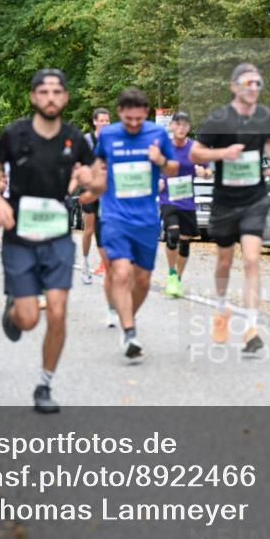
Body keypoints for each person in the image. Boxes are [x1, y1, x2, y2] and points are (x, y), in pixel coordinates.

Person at [0, 68, 96, 413]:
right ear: (34, 97)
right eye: (44, 92)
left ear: (65, 97)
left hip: (58, 238)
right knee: (30, 319)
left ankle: (45, 385)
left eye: (57, 92)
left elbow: (97, 184)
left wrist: (88, 181)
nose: (51, 98)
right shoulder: (14, 134)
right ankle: (14, 310)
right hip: (20, 237)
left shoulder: (75, 139)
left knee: (59, 312)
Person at [190, 63, 270, 354]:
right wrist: (222, 153)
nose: (253, 88)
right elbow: (195, 153)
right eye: (247, 83)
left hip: (254, 198)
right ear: (234, 86)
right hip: (225, 201)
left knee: (252, 260)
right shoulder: (220, 119)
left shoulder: (265, 116)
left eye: (257, 83)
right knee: (225, 261)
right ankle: (221, 308)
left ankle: (252, 327)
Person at [89, 87, 177, 359]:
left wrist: (160, 160)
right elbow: (98, 165)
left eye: (139, 119)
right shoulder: (108, 135)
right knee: (121, 272)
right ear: (119, 113)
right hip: (115, 215)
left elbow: (174, 168)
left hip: (147, 218)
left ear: (146, 114)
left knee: (143, 279)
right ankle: (128, 332)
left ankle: (129, 317)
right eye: (129, 120)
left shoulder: (157, 134)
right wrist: (90, 182)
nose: (134, 125)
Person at [158, 111, 210, 298]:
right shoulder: (163, 147)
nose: (181, 128)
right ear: (171, 126)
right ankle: (171, 273)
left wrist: (203, 173)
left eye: (185, 125)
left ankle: (177, 279)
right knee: (172, 236)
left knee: (185, 243)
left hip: (187, 201)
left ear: (189, 128)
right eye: (177, 124)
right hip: (168, 200)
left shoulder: (195, 148)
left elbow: (208, 169)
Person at [80, 108, 111, 284]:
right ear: (95, 122)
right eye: (102, 121)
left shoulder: (113, 140)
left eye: (107, 121)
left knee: (106, 229)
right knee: (89, 230)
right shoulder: (86, 140)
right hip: (90, 191)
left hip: (107, 192)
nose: (105, 123)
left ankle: (106, 264)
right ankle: (84, 262)